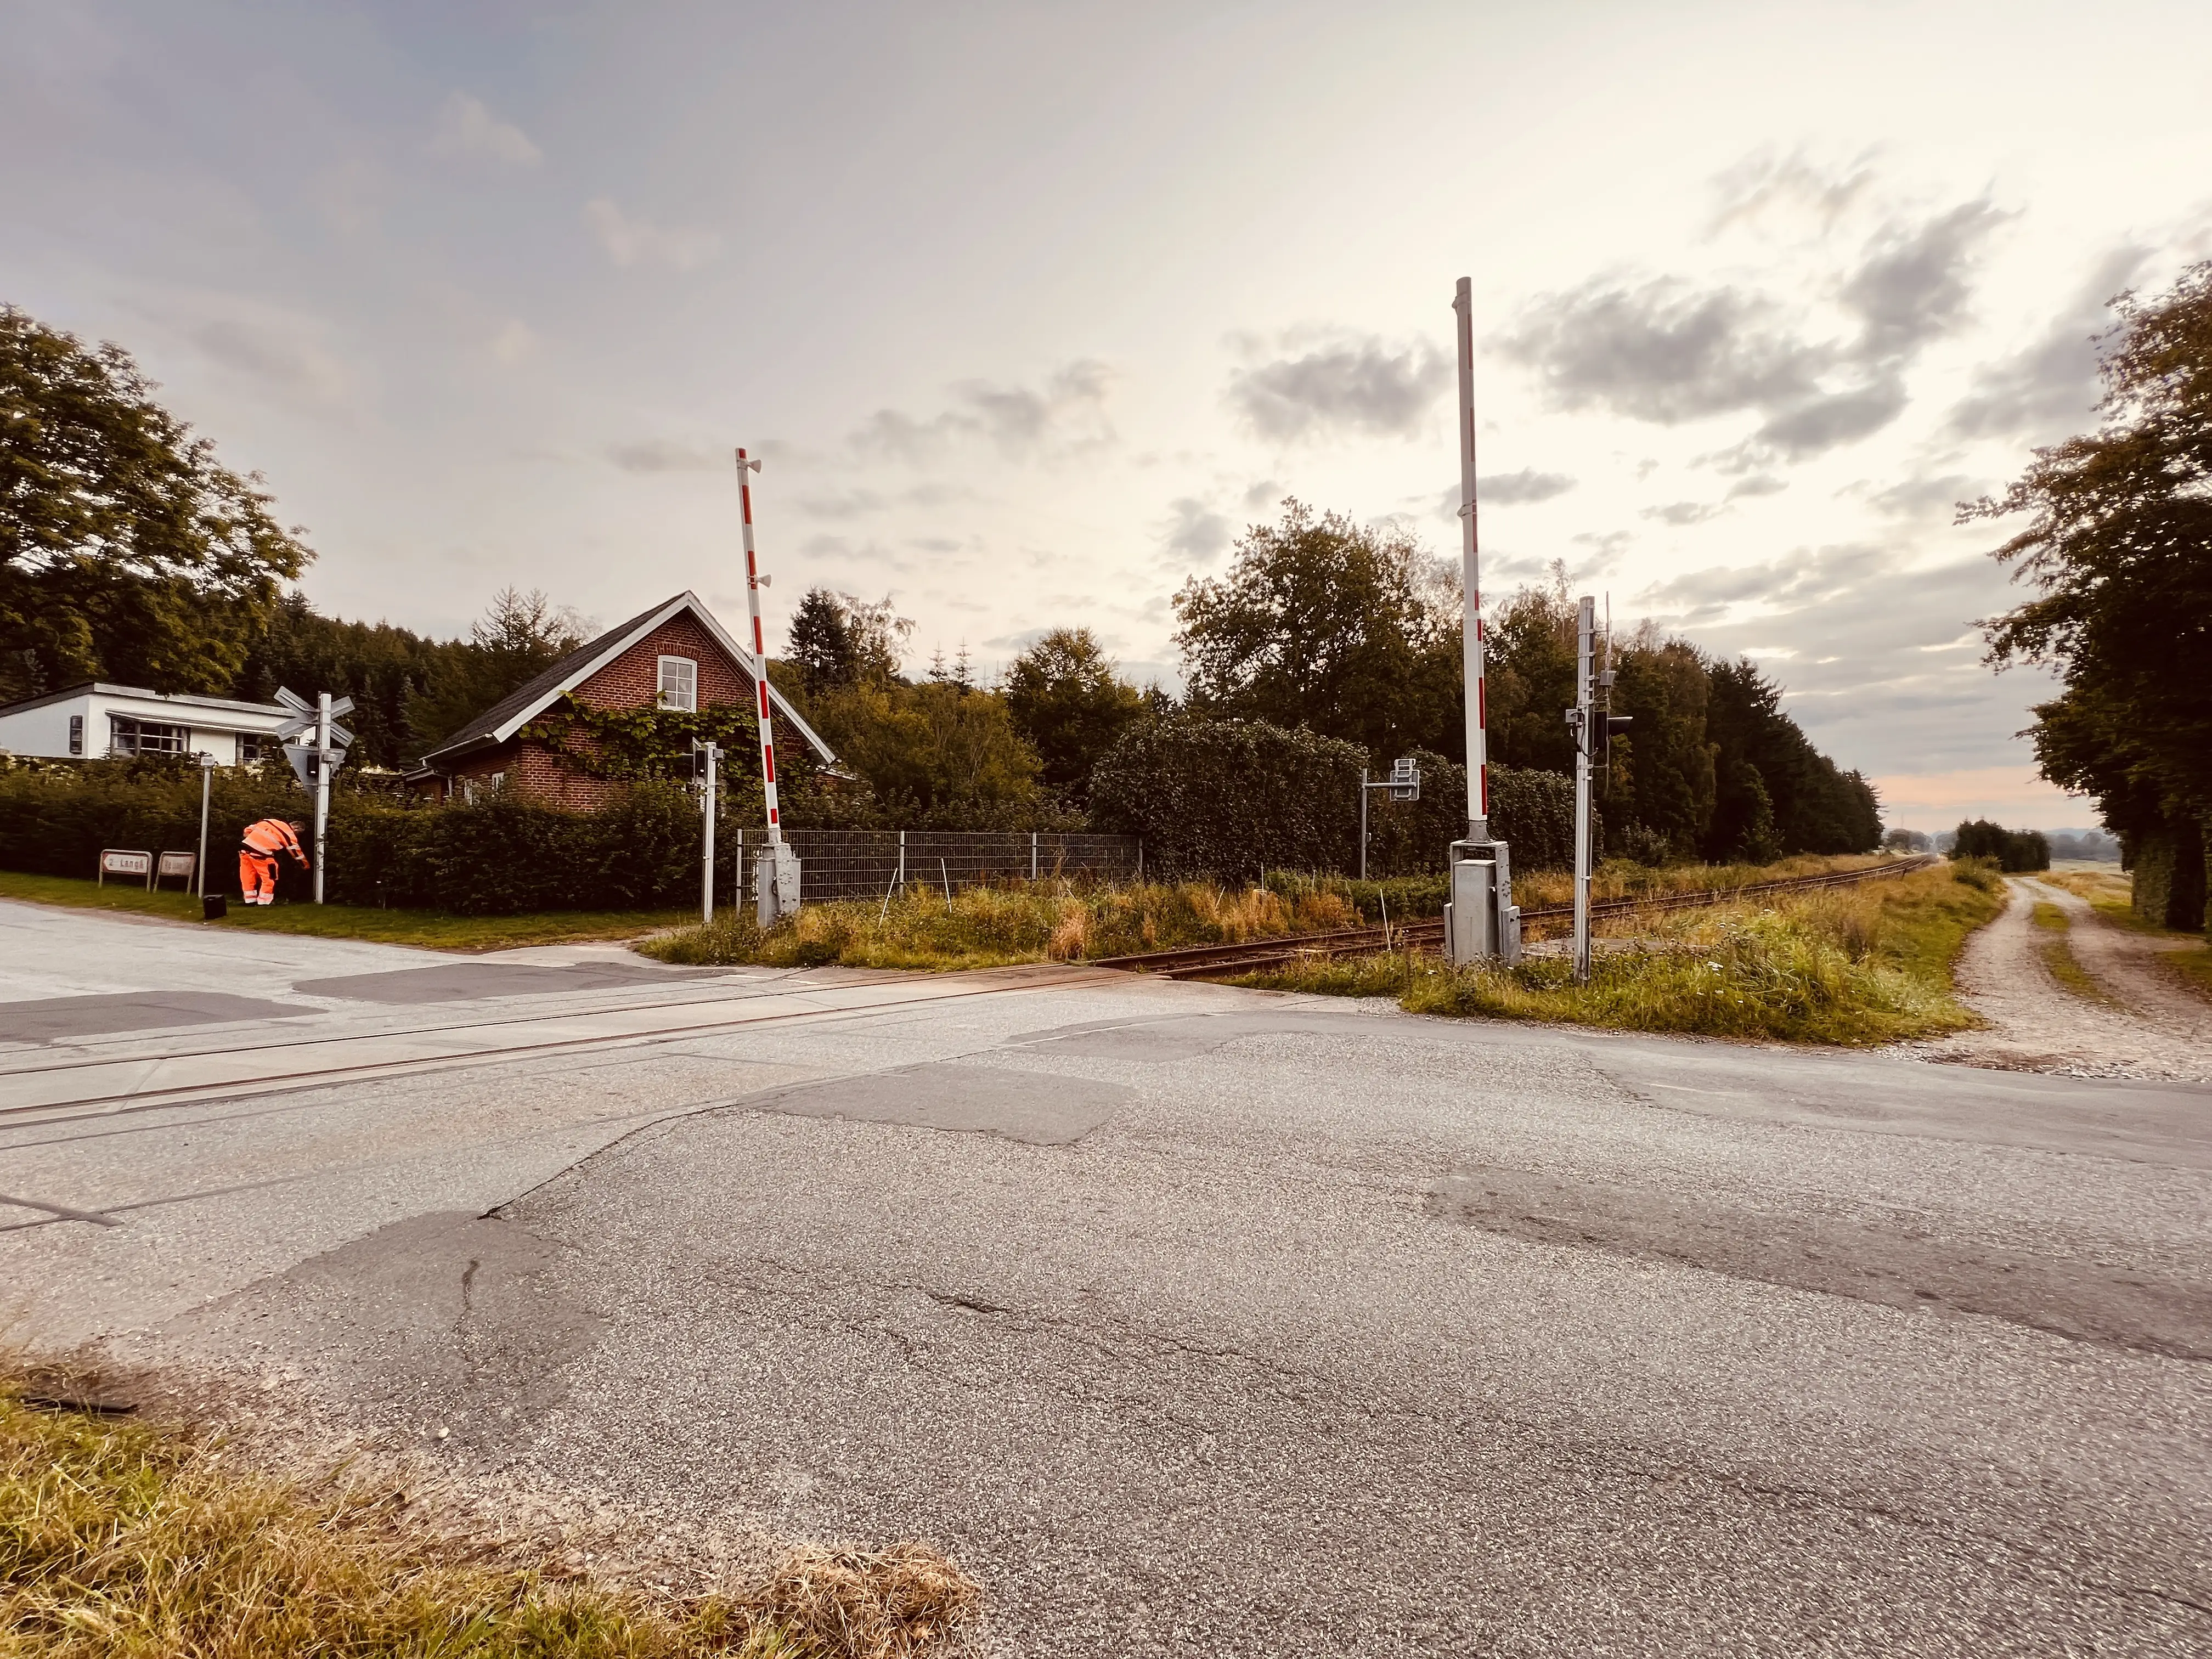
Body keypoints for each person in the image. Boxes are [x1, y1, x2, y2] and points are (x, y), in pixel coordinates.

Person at [239, 817, 310, 905]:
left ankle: (250, 901)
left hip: (245, 851)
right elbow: (295, 851)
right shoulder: (288, 833)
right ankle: (264, 902)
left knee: (248, 876)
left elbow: (248, 830)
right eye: (298, 833)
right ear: (296, 829)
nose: (297, 835)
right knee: (270, 877)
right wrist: (305, 865)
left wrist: (253, 839)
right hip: (262, 854)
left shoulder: (270, 821)